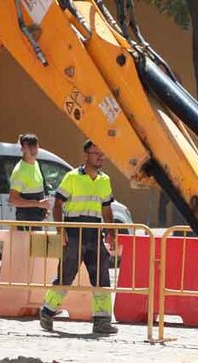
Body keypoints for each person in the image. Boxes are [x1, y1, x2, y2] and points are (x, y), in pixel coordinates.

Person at [40, 140, 118, 335]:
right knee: (66, 275)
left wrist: (111, 233)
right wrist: (61, 231)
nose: (100, 157)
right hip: (74, 231)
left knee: (102, 276)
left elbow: (106, 208)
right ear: (85, 155)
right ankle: (47, 312)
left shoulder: (104, 180)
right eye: (96, 153)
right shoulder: (72, 177)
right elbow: (58, 204)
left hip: (94, 232)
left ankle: (102, 321)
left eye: (102, 153)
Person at [8, 133, 53, 224]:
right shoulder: (20, 171)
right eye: (29, 146)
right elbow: (13, 200)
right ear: (22, 149)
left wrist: (43, 209)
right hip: (25, 222)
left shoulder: (36, 164)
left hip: (37, 221)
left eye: (35, 145)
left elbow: (38, 193)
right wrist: (38, 204)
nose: (33, 150)